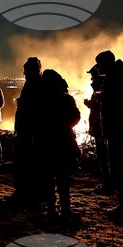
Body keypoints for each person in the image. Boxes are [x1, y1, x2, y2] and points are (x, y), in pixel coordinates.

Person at [95, 50, 123, 221]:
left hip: (118, 131)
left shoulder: (113, 80)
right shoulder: (120, 77)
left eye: (99, 64)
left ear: (106, 63)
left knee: (119, 168)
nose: (97, 68)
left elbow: (113, 107)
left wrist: (101, 99)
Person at [32, 69, 81, 221]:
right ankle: (65, 209)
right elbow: (75, 117)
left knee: (47, 178)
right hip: (63, 142)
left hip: (44, 143)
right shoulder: (66, 99)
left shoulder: (39, 99)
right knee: (63, 179)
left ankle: (51, 209)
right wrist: (65, 127)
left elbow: (32, 120)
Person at [12, 56, 45, 208]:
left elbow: (34, 109)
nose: (24, 74)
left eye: (26, 71)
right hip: (29, 129)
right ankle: (31, 189)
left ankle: (29, 190)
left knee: (29, 159)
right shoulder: (35, 83)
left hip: (31, 131)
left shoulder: (35, 84)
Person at [83, 65, 111, 193]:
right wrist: (90, 104)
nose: (91, 79)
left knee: (104, 156)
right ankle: (108, 182)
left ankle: (109, 183)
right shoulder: (99, 89)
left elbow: (102, 110)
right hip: (99, 128)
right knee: (103, 156)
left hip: (101, 129)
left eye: (93, 76)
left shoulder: (103, 89)